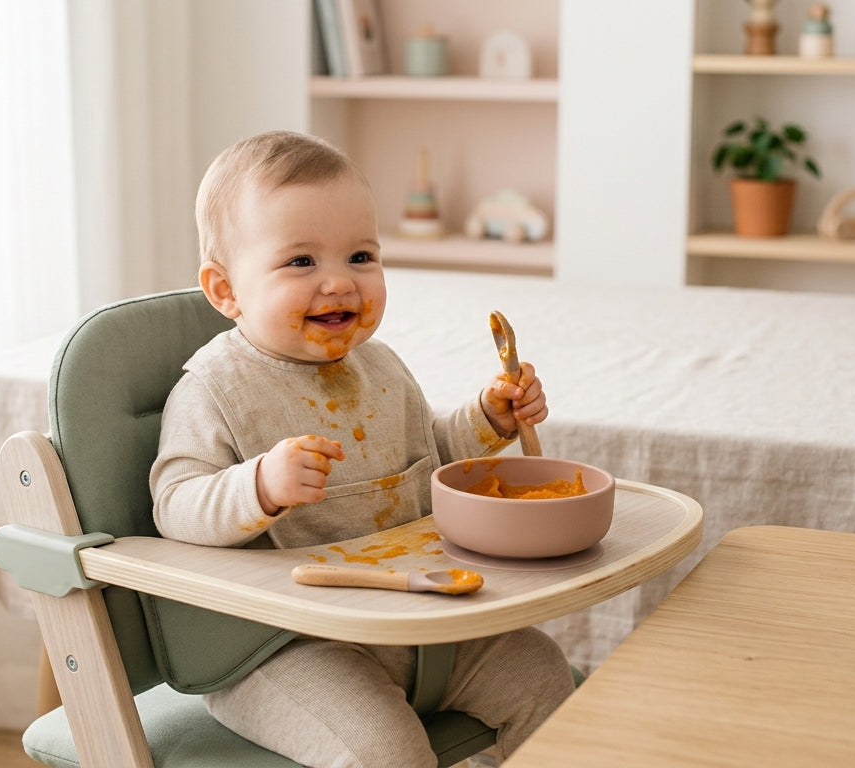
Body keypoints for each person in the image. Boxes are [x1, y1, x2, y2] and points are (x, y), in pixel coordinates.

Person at [149, 130, 575, 768]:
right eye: (301, 262)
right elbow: (173, 503)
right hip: (285, 647)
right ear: (225, 290)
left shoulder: (380, 366)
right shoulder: (214, 388)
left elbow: (426, 457)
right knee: (383, 752)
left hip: (414, 617)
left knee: (543, 674)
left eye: (359, 256)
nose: (339, 283)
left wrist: (489, 419)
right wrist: (258, 485)